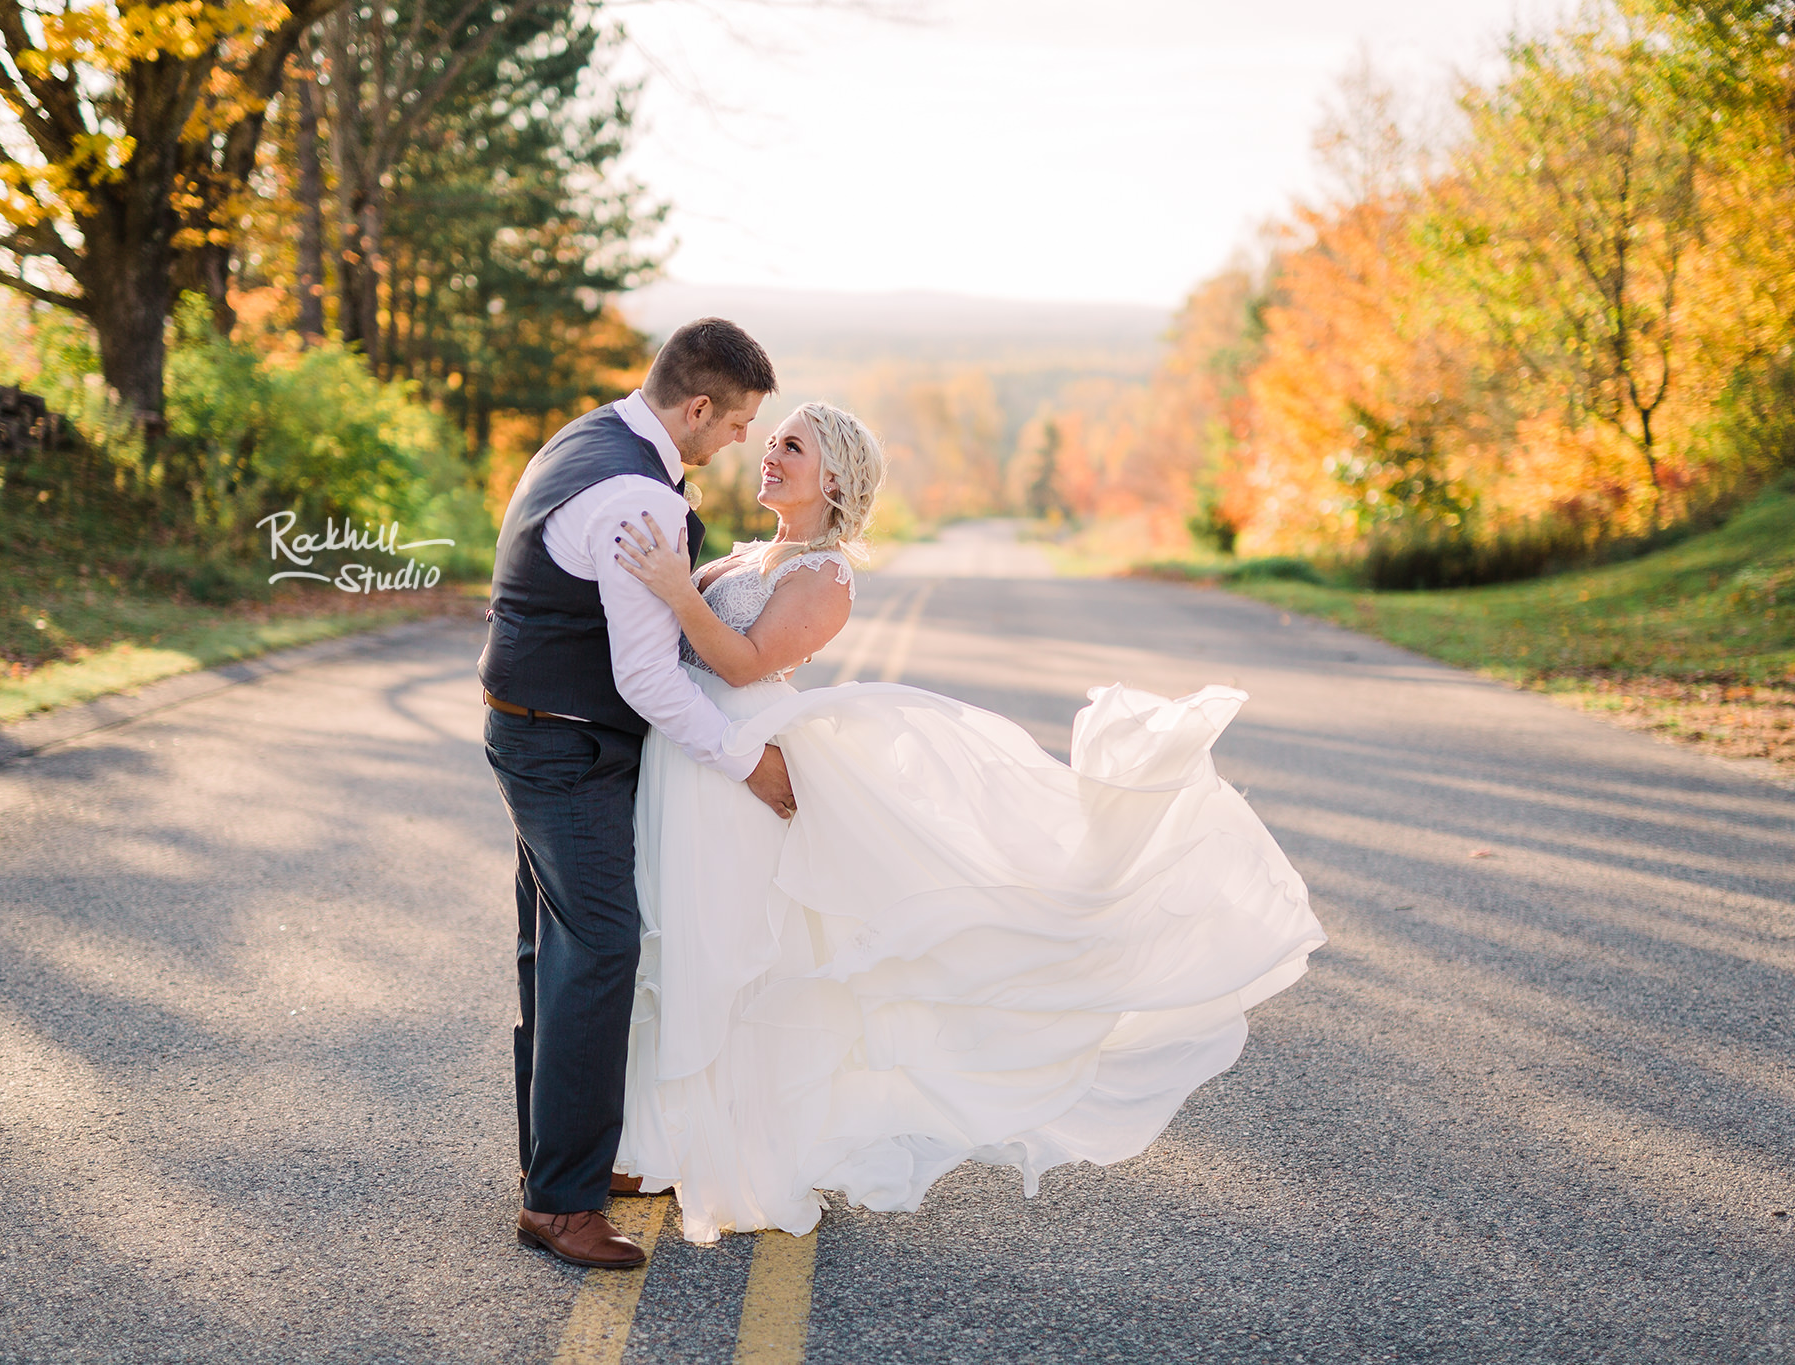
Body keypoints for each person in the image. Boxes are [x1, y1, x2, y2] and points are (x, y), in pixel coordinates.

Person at [609, 401, 1327, 1245]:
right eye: (770, 443)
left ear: (832, 475)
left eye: (791, 446)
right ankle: (657, 1144)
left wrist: (668, 586)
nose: (771, 455)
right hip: (683, 761)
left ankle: (732, 1153)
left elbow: (741, 660)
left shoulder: (825, 576)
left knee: (724, 955)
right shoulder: (737, 555)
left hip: (737, 774)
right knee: (672, 943)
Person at [477, 318, 792, 1271]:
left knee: (555, 944)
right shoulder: (634, 495)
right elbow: (651, 679)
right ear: (698, 407)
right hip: (563, 745)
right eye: (737, 422)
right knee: (602, 945)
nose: (740, 441)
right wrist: (747, 761)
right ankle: (561, 1204)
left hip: (531, 722)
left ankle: (560, 1163)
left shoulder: (587, 438)